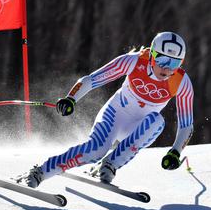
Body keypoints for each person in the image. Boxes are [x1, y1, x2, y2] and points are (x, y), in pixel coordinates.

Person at [19, 31, 194, 188]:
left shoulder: (181, 82)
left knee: (157, 121)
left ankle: (110, 164)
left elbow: (187, 124)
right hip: (115, 114)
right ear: (152, 55)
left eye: (175, 63)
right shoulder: (133, 61)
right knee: (96, 150)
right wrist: (71, 98)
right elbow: (92, 79)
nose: (166, 68)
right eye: (162, 60)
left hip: (137, 129)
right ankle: (40, 171)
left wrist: (175, 151)